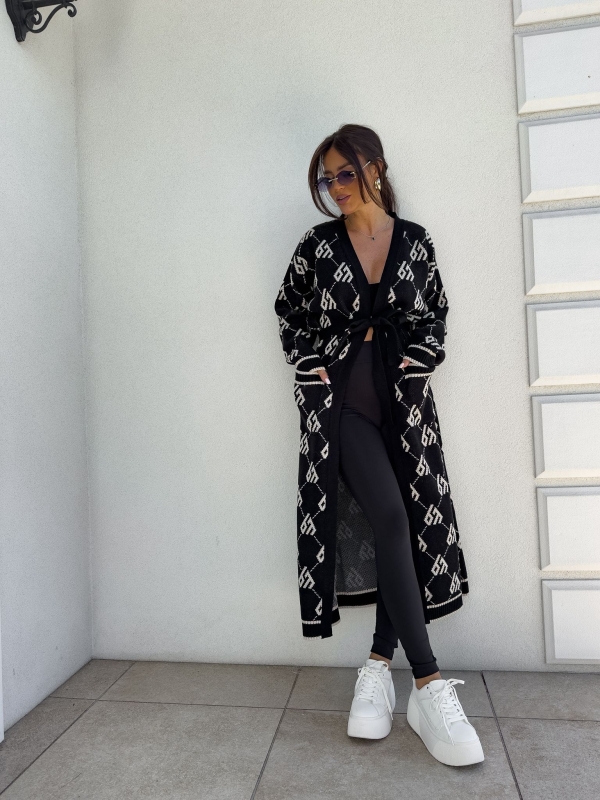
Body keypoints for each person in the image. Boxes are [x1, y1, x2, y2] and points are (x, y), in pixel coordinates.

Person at [274, 124, 483, 766]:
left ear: (376, 168)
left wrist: (421, 358)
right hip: (340, 405)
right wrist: (308, 360)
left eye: (345, 173)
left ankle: (376, 667)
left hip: (404, 406)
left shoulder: (414, 242)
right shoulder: (316, 246)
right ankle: (428, 682)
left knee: (410, 524)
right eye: (326, 177)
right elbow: (289, 310)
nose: (335, 187)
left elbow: (435, 313)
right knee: (391, 517)